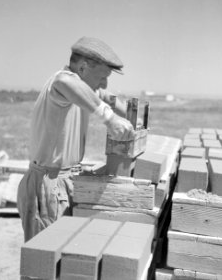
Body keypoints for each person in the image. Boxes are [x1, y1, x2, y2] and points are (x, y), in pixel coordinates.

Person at [17, 36, 135, 242]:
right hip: (48, 183)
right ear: (82, 68)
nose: (105, 83)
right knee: (45, 264)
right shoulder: (61, 83)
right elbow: (66, 82)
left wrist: (132, 115)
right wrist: (109, 117)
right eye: (102, 76)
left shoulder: (86, 89)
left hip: (66, 180)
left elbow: (106, 96)